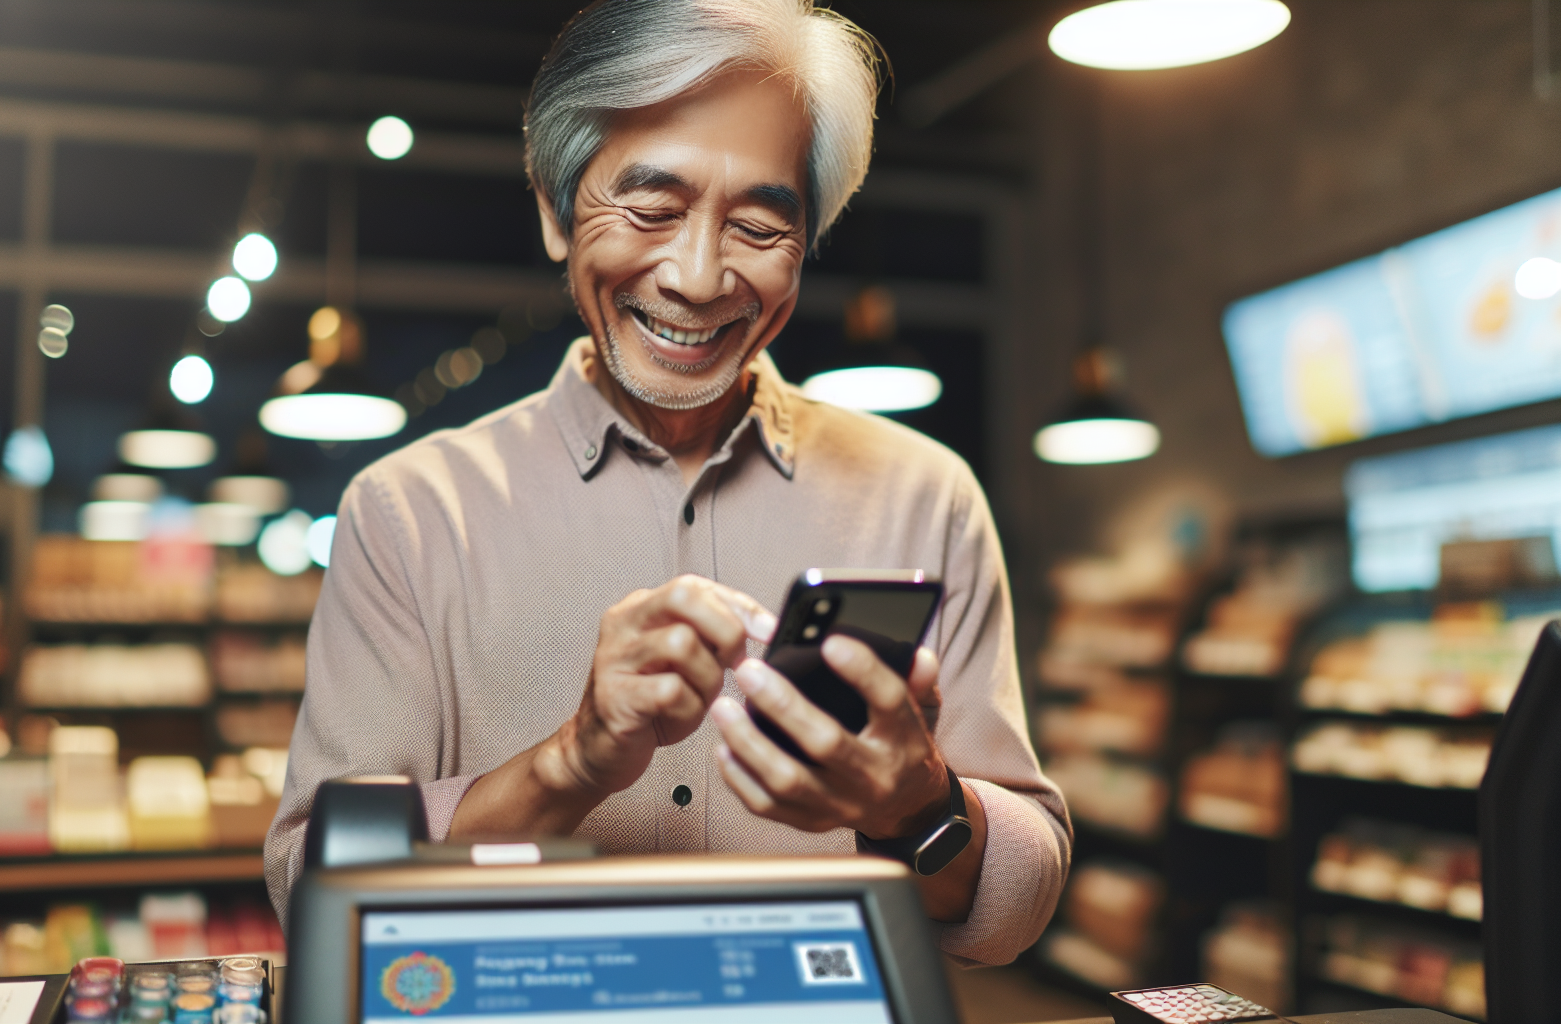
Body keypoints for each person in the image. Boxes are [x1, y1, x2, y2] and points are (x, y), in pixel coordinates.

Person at [266, 0, 1068, 965]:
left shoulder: (924, 494)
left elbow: (1018, 907)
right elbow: (313, 890)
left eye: (761, 225)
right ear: (556, 211)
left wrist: (919, 803)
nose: (696, 277)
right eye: (650, 209)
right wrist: (571, 763)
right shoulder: (410, 510)